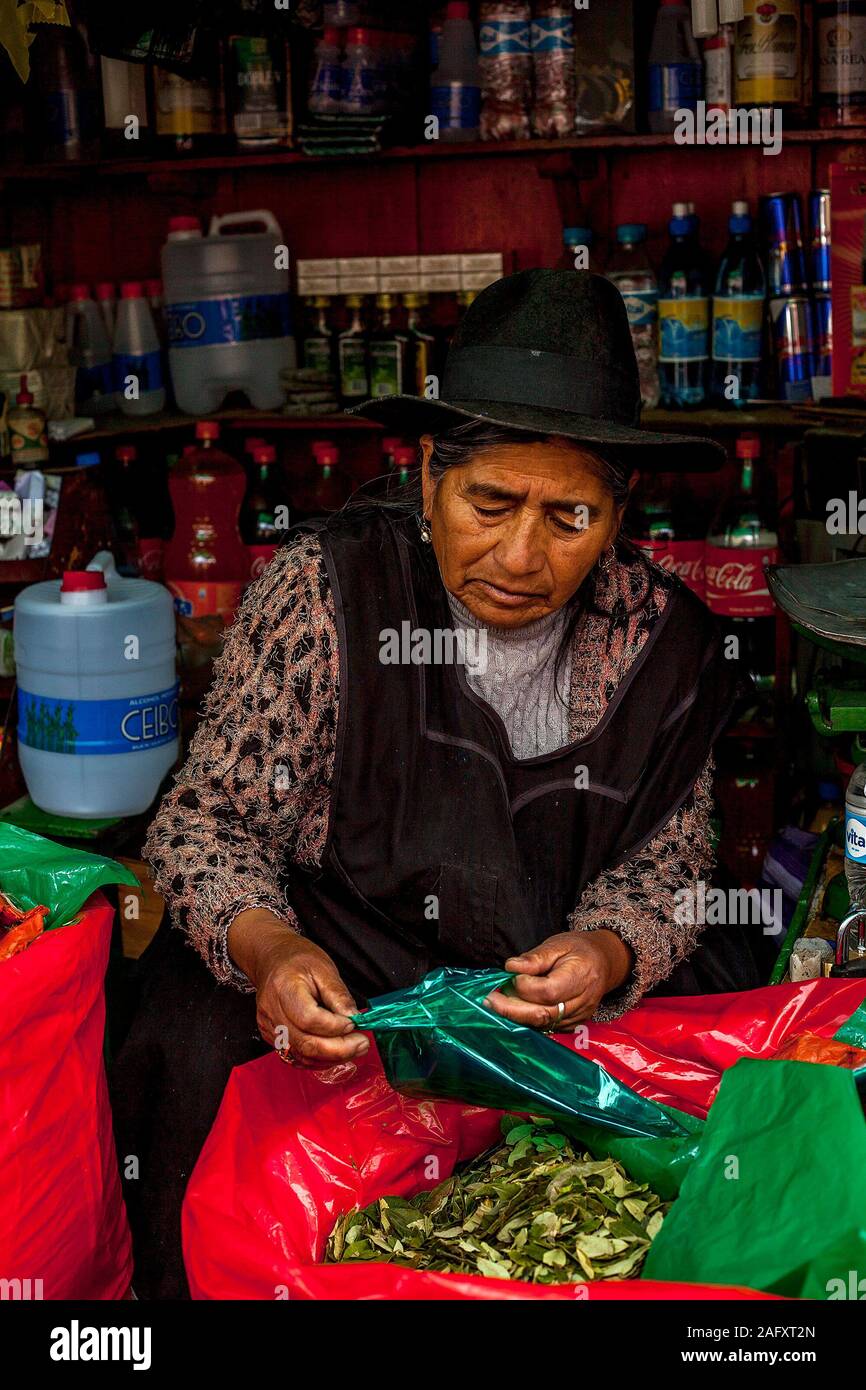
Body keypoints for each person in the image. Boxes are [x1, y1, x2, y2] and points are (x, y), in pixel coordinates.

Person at [114, 271, 754, 1297]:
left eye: (568, 517)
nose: (519, 554)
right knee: (187, 1029)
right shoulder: (333, 588)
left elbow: (673, 862)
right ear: (425, 482)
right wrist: (272, 949)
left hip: (534, 1005)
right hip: (339, 978)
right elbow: (207, 825)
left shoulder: (664, 642)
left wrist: (606, 945)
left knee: (711, 1053)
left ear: (617, 515)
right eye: (487, 502)